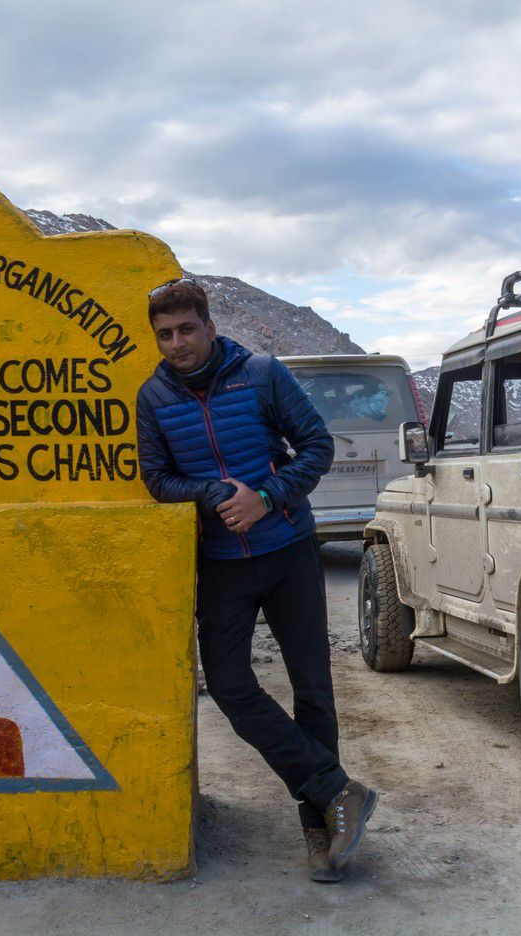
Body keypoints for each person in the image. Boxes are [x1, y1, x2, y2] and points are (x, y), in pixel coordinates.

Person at [134, 276, 378, 883]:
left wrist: (267, 497)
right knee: (230, 685)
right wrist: (219, 494)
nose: (176, 344)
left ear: (210, 327)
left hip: (288, 548)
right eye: (164, 335)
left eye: (187, 329)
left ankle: (322, 827)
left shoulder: (263, 374)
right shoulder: (153, 398)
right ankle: (335, 790)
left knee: (312, 688)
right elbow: (158, 480)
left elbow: (317, 446)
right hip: (221, 562)